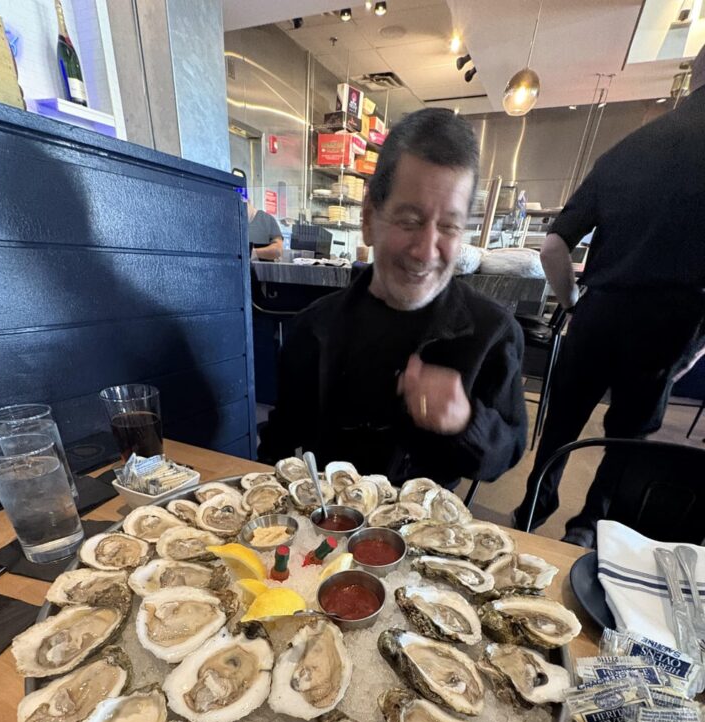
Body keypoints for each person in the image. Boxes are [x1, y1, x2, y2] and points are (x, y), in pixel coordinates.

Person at [258, 109, 527, 488]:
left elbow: (507, 454)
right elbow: (283, 438)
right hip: (329, 524)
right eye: (410, 220)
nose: (426, 251)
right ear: (369, 219)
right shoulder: (310, 329)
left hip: (429, 530)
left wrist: (466, 421)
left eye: (448, 227)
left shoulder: (493, 333)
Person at [514, 46, 705, 547]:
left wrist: (575, 303)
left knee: (561, 423)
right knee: (623, 440)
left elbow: (553, 247)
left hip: (598, 312)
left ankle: (533, 506)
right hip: (670, 321)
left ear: (691, 77)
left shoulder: (629, 148)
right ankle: (586, 530)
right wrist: (698, 346)